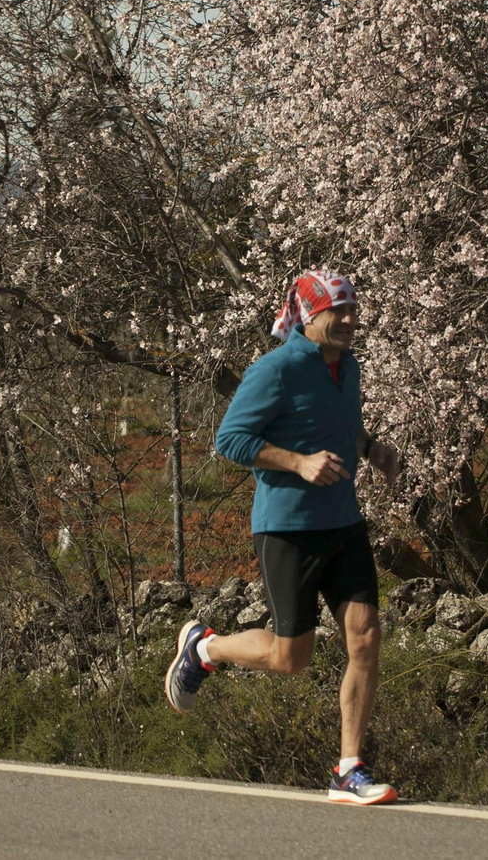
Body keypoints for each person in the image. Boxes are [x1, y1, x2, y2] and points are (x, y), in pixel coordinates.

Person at [165, 268, 402, 805]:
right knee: (289, 659)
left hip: (343, 521)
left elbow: (343, 420)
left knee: (365, 637)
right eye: (334, 312)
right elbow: (230, 439)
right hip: (288, 529)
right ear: (307, 316)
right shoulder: (275, 370)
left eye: (351, 310)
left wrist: (372, 450)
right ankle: (206, 648)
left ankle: (349, 769)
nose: (346, 320)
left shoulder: (349, 367)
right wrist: (298, 462)